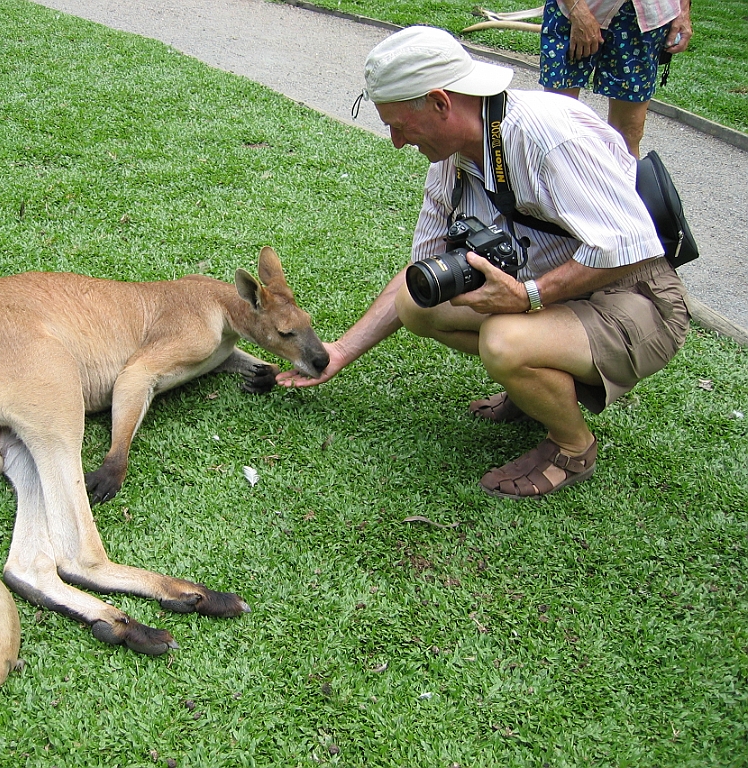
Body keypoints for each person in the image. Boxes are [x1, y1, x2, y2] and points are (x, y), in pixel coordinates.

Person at [277, 26, 690, 500]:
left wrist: (528, 296)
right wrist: (342, 351)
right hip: (565, 289)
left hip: (635, 296)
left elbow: (632, 244)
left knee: (504, 340)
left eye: (398, 124)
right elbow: (424, 269)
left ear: (439, 102)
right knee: (419, 303)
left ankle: (572, 447)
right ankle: (537, 384)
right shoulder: (451, 161)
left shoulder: (545, 136)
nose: (395, 141)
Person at [540, 0, 692, 157]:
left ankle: (621, 180)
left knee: (629, 131)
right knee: (557, 123)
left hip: (647, 16)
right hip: (574, 10)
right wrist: (577, 10)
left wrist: (683, 10)